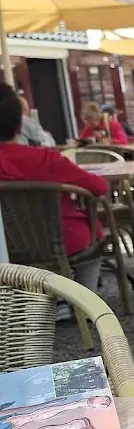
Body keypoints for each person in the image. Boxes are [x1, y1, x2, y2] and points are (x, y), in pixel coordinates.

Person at [0, 83, 107, 305]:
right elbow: (98, 187)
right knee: (93, 231)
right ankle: (84, 302)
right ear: (21, 125)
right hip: (58, 237)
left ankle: (31, 302)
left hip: (5, 245)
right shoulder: (46, 159)